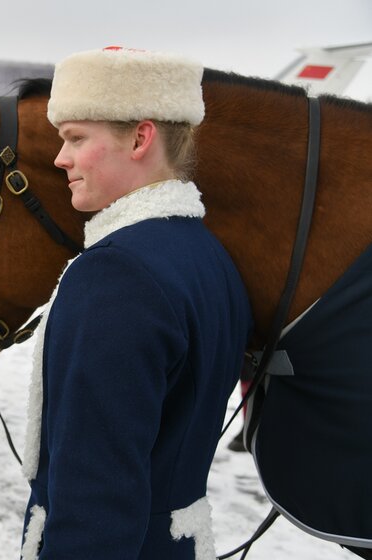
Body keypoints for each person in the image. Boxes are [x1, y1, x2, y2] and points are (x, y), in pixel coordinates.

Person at [20, 47, 252, 560]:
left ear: (141, 138)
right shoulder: (206, 252)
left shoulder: (116, 272)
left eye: (77, 138)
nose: (61, 158)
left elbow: (97, 495)